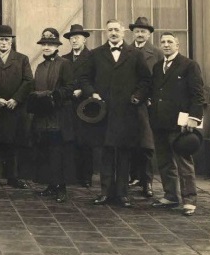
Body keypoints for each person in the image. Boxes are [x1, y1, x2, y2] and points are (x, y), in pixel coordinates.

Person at [80, 19, 152, 208]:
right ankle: (105, 192)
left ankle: (122, 194)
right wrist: (92, 93)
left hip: (127, 112)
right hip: (103, 113)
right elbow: (85, 79)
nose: (113, 33)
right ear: (105, 33)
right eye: (110, 30)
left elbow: (146, 80)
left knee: (124, 153)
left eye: (116, 30)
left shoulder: (135, 54)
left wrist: (137, 97)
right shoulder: (96, 54)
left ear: (123, 33)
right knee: (105, 152)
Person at [149, 33, 205, 216]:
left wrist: (193, 118)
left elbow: (197, 95)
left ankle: (189, 200)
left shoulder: (189, 66)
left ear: (177, 45)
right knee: (164, 162)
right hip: (159, 122)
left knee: (183, 162)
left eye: (169, 42)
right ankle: (170, 196)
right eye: (163, 42)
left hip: (180, 124)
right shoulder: (158, 67)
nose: (166, 45)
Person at [30, 28, 75, 203]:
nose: (47, 47)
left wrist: (53, 95)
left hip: (58, 115)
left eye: (50, 44)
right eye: (44, 44)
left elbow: (70, 87)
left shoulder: (64, 64)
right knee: (46, 151)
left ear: (57, 46)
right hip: (43, 116)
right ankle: (50, 185)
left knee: (59, 151)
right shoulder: (39, 67)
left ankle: (61, 188)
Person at [0, 25, 33, 190]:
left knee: (14, 143)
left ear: (11, 41)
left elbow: (28, 81)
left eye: (7, 39)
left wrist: (16, 99)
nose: (4, 42)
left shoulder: (22, 59)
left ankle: (13, 177)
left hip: (15, 109)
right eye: (1, 39)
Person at [128, 16, 162, 198]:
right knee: (130, 141)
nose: (140, 34)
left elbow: (159, 80)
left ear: (149, 34)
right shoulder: (126, 51)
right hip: (128, 103)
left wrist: (152, 99)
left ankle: (147, 181)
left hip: (147, 104)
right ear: (133, 33)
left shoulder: (157, 53)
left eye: (143, 31)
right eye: (137, 31)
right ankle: (134, 176)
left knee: (146, 144)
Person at [62, 24, 95, 187]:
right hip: (69, 105)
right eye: (71, 38)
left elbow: (96, 80)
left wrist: (83, 90)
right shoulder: (65, 59)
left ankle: (86, 177)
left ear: (84, 39)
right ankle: (73, 175)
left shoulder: (92, 57)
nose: (74, 40)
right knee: (71, 140)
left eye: (77, 37)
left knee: (86, 141)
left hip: (86, 105)